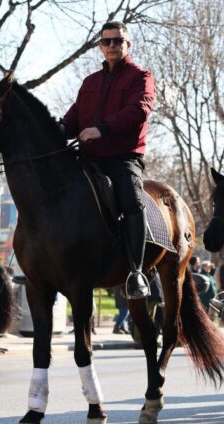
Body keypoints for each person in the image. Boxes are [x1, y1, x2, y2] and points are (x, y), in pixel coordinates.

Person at [60, 20, 156, 299]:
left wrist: (101, 129)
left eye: (118, 41)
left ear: (128, 44)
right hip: (88, 157)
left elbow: (139, 111)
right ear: (100, 46)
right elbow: (74, 117)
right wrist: (56, 132)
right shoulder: (90, 82)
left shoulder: (141, 77)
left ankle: (136, 272)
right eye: (107, 41)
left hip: (123, 157)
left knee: (131, 200)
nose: (112, 45)